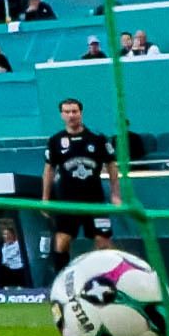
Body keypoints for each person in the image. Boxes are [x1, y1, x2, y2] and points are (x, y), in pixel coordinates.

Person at [41, 98, 118, 277]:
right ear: (61, 115)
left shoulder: (97, 139)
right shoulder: (55, 141)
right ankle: (62, 281)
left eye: (74, 111)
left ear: (81, 113)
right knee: (62, 241)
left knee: (103, 242)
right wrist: (45, 198)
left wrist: (115, 194)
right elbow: (48, 170)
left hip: (94, 200)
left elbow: (112, 165)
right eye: (67, 112)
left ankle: (111, 280)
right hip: (67, 201)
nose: (71, 115)